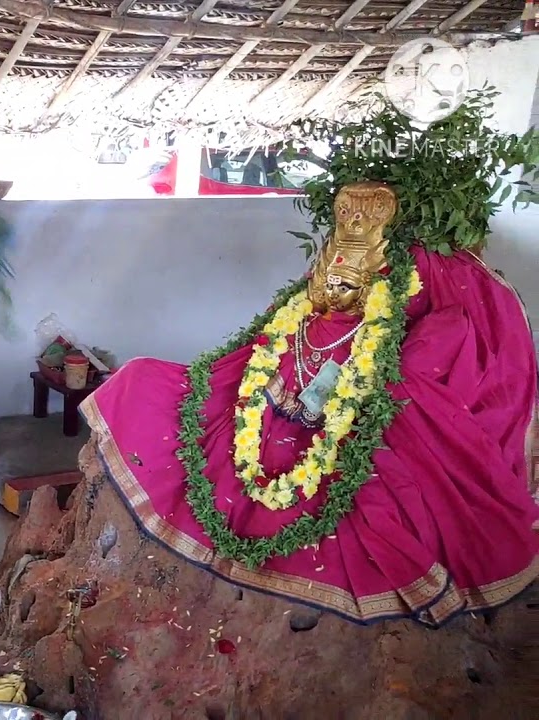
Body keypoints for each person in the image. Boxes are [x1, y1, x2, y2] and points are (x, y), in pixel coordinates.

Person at [81, 182, 538, 626]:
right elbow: (279, 344)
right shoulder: (307, 312)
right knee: (144, 380)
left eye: (348, 282)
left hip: (334, 421)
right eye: (331, 276)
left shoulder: (413, 313)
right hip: (276, 404)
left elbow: (422, 362)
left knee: (378, 496)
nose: (336, 290)